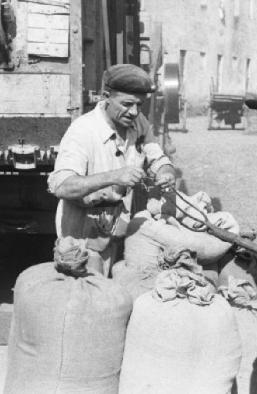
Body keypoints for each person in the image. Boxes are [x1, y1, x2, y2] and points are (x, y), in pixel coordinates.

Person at [47, 64, 176, 276]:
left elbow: (156, 155)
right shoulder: (83, 131)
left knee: (115, 291)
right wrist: (114, 176)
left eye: (139, 105)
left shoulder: (137, 122)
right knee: (90, 298)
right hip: (81, 233)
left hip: (117, 226)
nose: (134, 112)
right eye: (127, 104)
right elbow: (62, 187)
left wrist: (166, 171)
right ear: (106, 97)